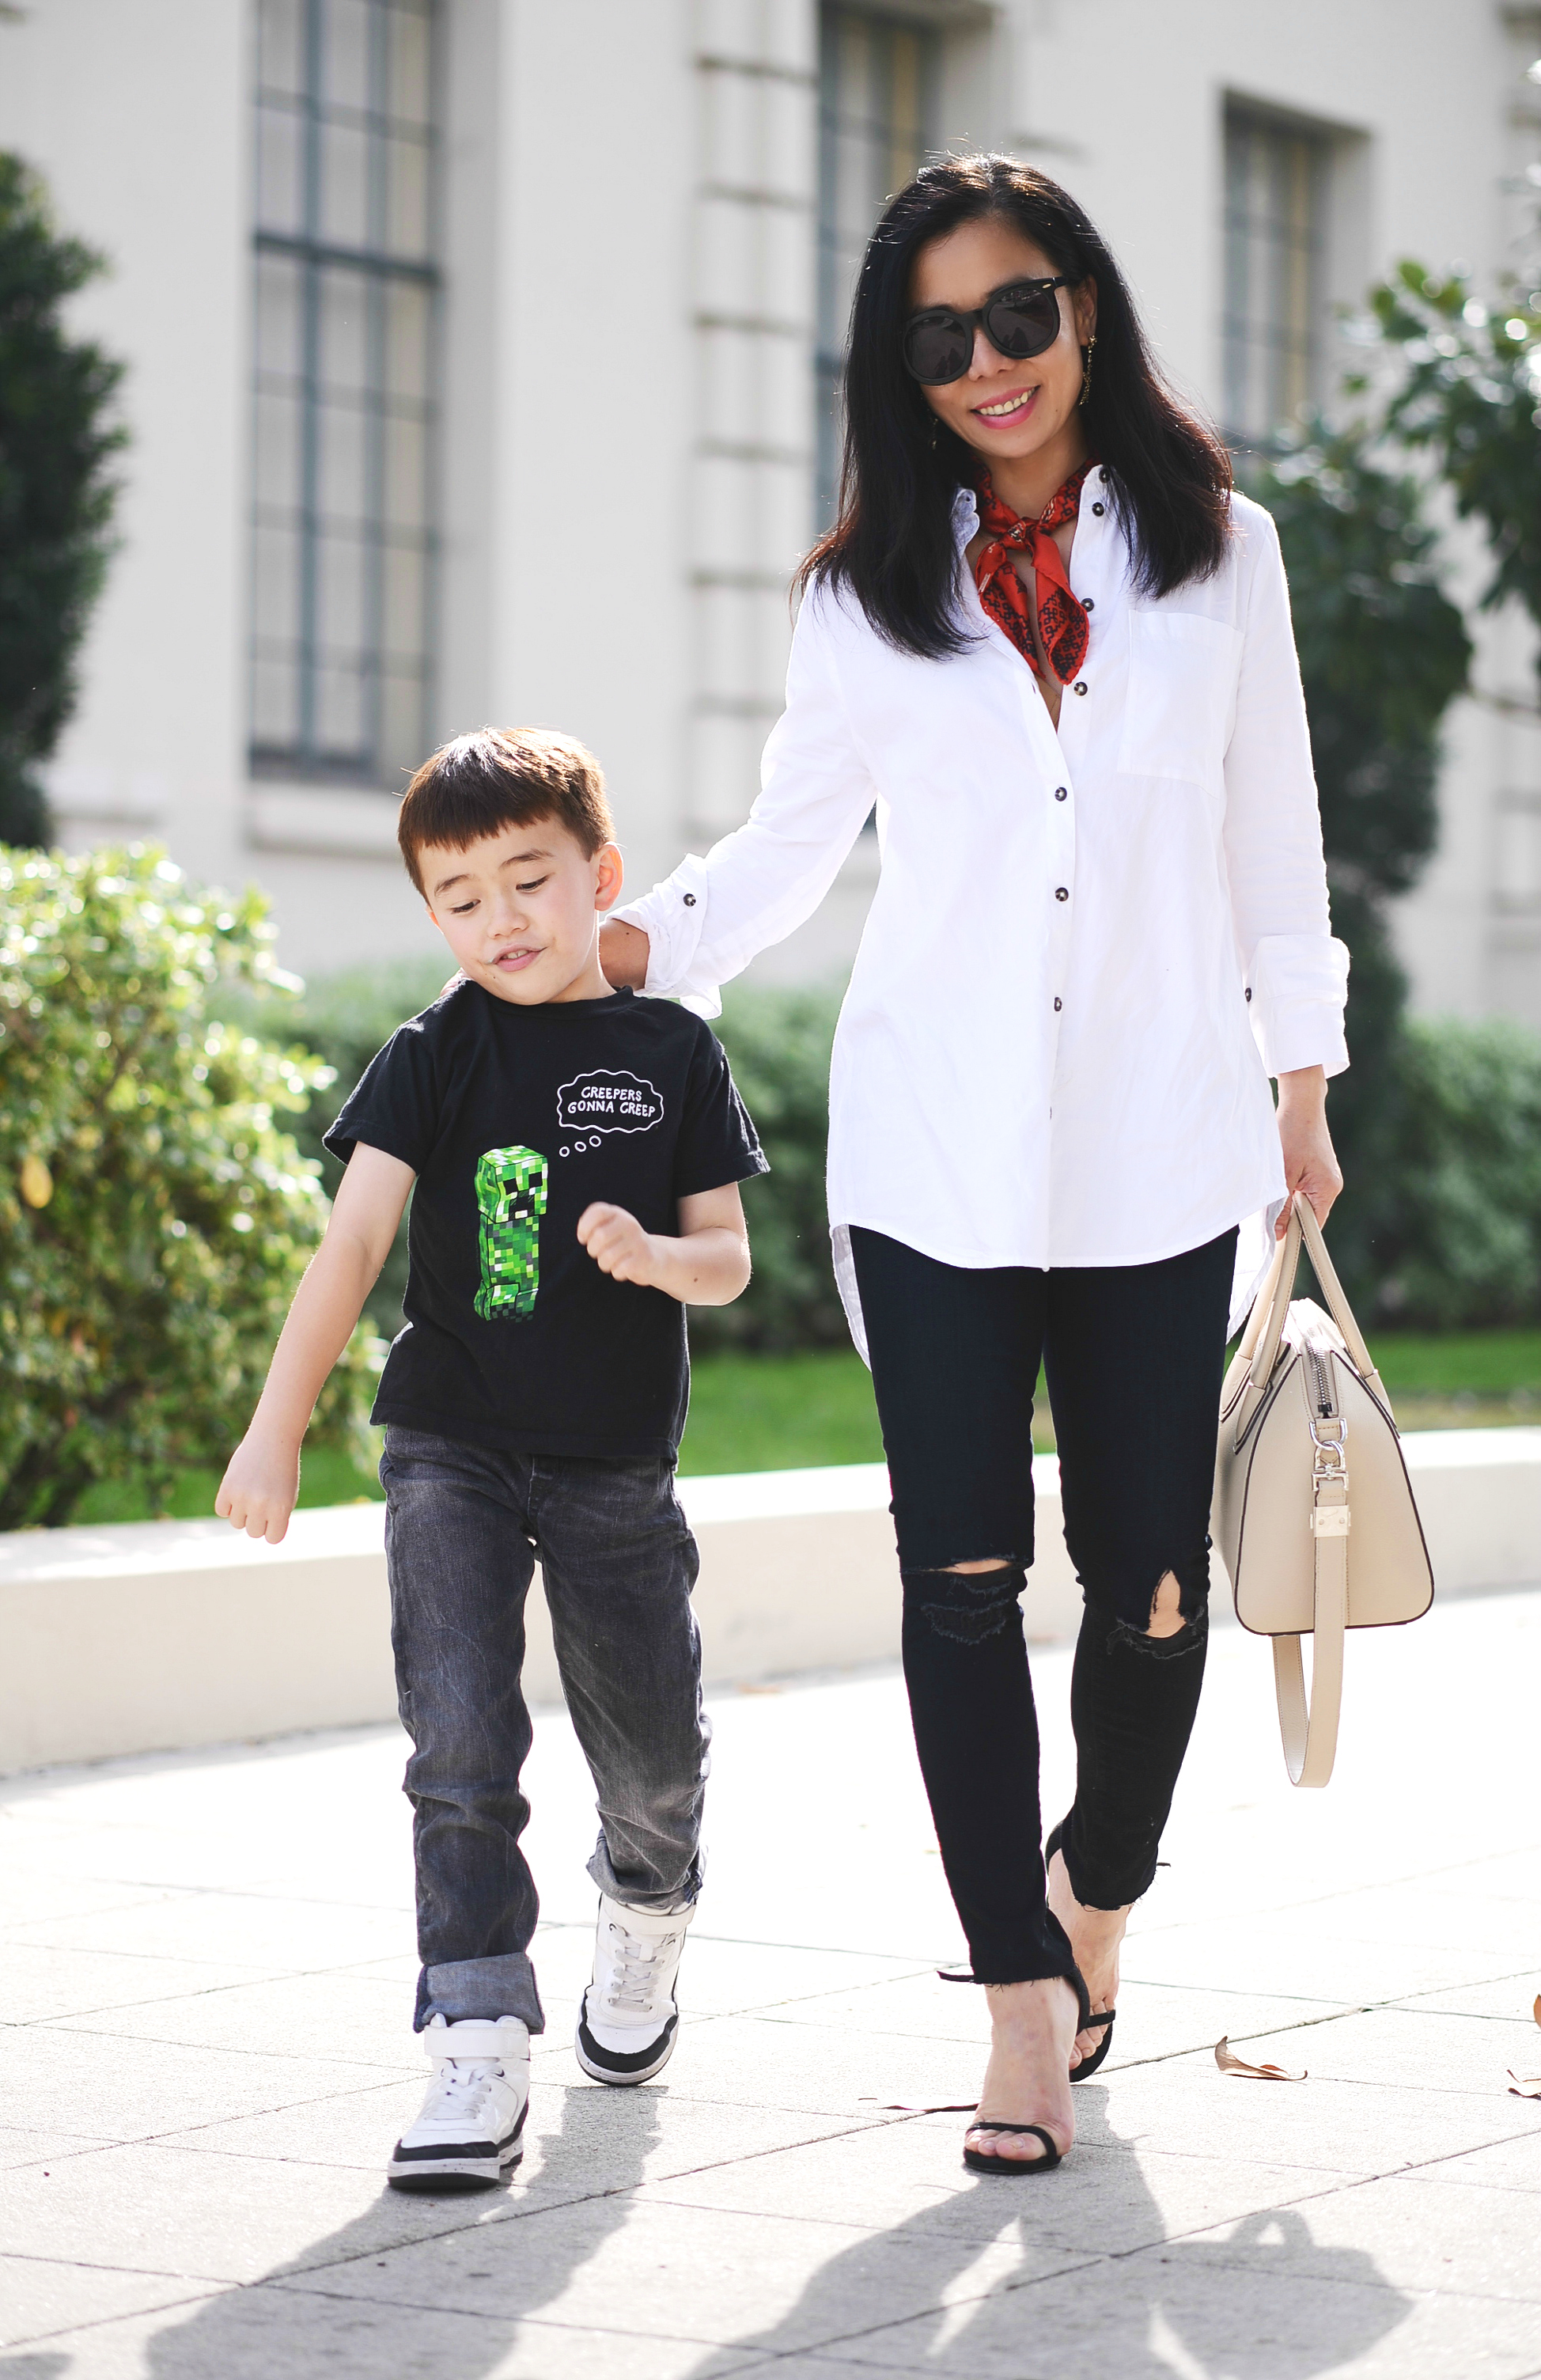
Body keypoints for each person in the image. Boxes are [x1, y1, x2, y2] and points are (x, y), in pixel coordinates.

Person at [600, 157, 1347, 2177]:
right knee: (957, 1583)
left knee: (1155, 1587)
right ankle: (1018, 2004)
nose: (987, 364)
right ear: (901, 370)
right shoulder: (861, 596)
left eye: (1016, 313)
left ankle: (1097, 1890)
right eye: (939, 339)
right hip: (928, 1160)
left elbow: (1271, 840)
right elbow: (778, 856)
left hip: (1159, 1146)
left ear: (1082, 308)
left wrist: (1303, 1078)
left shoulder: (1223, 560)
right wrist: (618, 943)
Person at [216, 727, 767, 2190]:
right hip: (448, 1444)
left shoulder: (672, 1051)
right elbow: (354, 1246)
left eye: (530, 880)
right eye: (461, 899)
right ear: (432, 916)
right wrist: (275, 1431)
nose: (501, 919)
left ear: (604, 877)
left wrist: (657, 1255)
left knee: (650, 1762)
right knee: (459, 1750)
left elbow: (730, 1261)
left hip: (610, 1464)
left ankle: (646, 1921)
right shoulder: (434, 1051)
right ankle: (473, 2041)